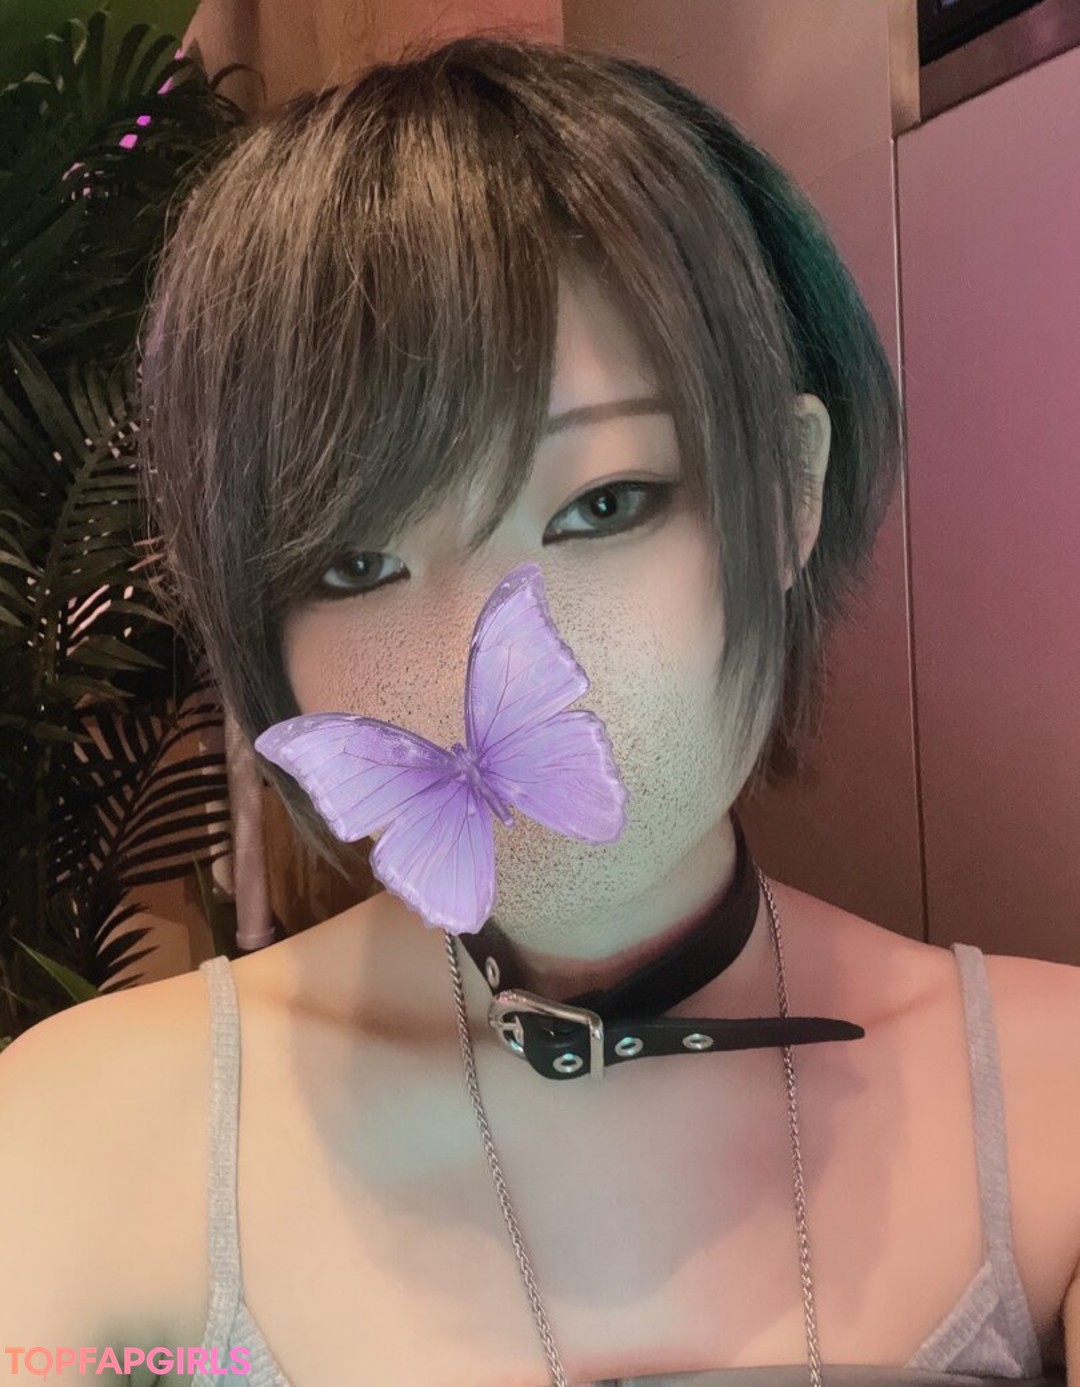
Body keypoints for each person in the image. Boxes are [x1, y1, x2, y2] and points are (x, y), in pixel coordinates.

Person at [1, 31, 1076, 1387]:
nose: (476, 661)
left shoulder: (1050, 1102)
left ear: (790, 493)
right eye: (355, 564)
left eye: (604, 504)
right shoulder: (87, 1138)